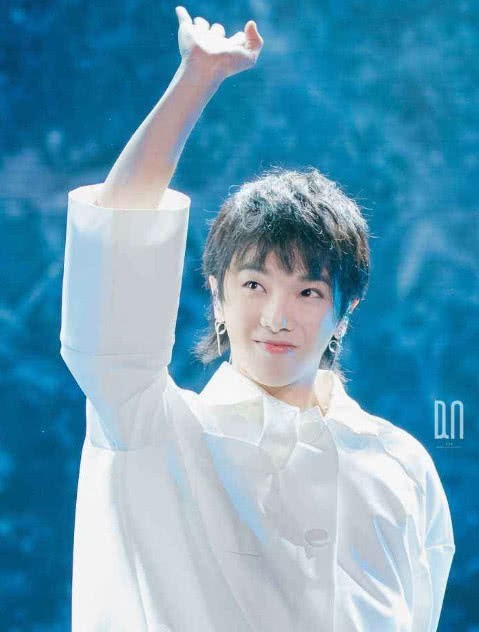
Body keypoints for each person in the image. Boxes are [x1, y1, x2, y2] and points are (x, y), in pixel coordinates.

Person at [59, 6, 455, 631]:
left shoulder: (401, 465)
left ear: (344, 311)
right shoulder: (152, 428)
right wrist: (196, 80)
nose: (276, 316)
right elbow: (117, 248)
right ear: (217, 297)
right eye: (253, 284)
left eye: (308, 292)